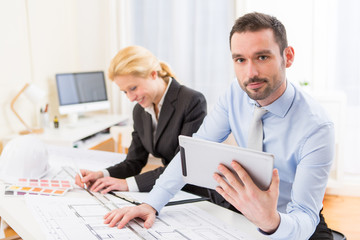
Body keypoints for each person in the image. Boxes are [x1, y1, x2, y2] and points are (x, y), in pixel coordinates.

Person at [102, 13, 335, 240]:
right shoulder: (235, 93)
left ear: (288, 56)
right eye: (240, 60)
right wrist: (151, 203)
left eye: (262, 57)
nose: (250, 73)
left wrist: (271, 221)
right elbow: (192, 152)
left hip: (291, 222)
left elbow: (305, 214)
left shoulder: (316, 127)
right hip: (241, 212)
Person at [75, 45, 207, 193]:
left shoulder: (191, 101)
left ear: (153, 74)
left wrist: (127, 184)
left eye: (133, 88)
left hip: (192, 190)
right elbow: (134, 162)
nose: (130, 98)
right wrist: (101, 174)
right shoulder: (140, 110)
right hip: (167, 190)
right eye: (125, 92)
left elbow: (183, 165)